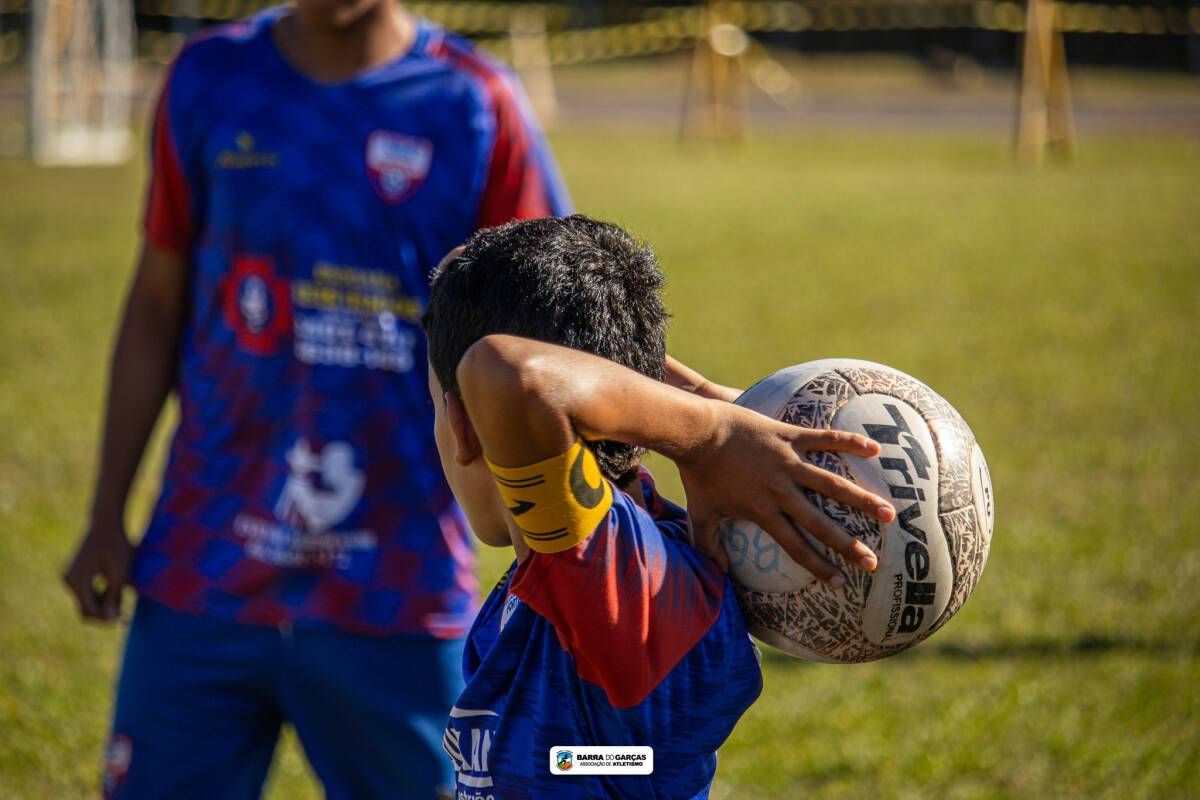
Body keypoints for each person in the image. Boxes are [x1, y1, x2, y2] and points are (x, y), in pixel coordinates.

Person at [61, 1, 576, 797]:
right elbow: (157, 303)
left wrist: (703, 427)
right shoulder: (210, 76)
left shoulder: (473, 103)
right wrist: (105, 513)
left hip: (396, 584)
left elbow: (557, 335)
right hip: (204, 569)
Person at [422, 216, 895, 797]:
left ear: (467, 429)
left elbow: (513, 374)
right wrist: (697, 401)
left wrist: (715, 431)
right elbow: (599, 762)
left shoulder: (624, 588)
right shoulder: (596, 554)